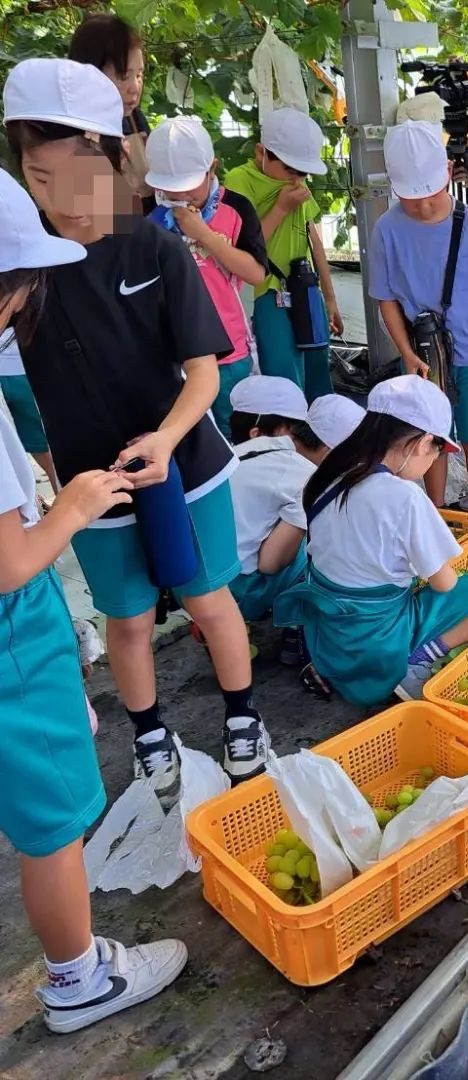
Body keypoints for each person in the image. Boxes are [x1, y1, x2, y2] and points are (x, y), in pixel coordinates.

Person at [4, 58, 271, 798]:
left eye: (80, 175)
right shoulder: (24, 266)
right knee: (125, 622)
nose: (63, 200)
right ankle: (151, 735)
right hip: (90, 485)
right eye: (38, 177)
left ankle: (244, 717)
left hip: (188, 460)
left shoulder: (154, 247)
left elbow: (206, 372)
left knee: (210, 599)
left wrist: (165, 438)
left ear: (118, 159)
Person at [0, 165, 187, 1034]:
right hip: (10, 632)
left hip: (25, 627)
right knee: (52, 820)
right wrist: (73, 506)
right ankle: (79, 980)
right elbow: (8, 562)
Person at [275, 374, 468, 704]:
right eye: (437, 451)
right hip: (380, 645)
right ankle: (419, 660)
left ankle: (342, 670)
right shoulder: (403, 497)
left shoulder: (328, 478)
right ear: (423, 442)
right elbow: (444, 583)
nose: (434, 460)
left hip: (333, 643)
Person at [369, 120, 468, 514]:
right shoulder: (386, 228)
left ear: (448, 173)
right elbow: (385, 300)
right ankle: (436, 513)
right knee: (429, 436)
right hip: (420, 356)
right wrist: (406, 353)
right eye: (411, 198)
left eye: (430, 194)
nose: (422, 205)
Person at [146, 116, 268, 436]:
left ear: (212, 168)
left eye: (189, 188)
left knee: (234, 430)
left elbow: (255, 273)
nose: (180, 198)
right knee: (188, 437)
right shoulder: (147, 217)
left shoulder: (235, 209)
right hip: (172, 355)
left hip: (228, 349)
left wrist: (204, 235)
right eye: (170, 191)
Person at [224, 108, 343, 402]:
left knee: (319, 381)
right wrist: (280, 208)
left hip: (306, 289)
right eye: (290, 169)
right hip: (269, 293)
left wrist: (328, 298)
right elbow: (242, 251)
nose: (297, 178)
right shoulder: (240, 181)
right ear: (261, 152)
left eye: (303, 172)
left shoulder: (297, 184)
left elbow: (313, 239)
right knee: (285, 384)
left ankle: (321, 445)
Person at [225, 376, 316, 632]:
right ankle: (294, 628)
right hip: (242, 591)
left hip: (198, 586)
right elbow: (269, 564)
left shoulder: (224, 456)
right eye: (294, 432)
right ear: (257, 433)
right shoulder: (294, 469)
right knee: (317, 537)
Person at [69, 13, 154, 212]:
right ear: (90, 73)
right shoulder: (67, 133)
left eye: (139, 75)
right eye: (124, 76)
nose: (135, 88)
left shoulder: (133, 119)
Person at [0, 329, 59, 493]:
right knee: (6, 449)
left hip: (25, 368)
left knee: (41, 441)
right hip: (20, 370)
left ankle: (59, 494)